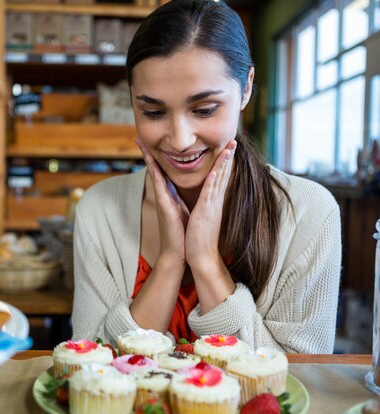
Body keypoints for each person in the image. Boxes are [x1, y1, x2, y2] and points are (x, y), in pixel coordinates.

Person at [71, 0, 341, 354]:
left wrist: (206, 263)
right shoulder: (99, 210)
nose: (180, 140)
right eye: (153, 111)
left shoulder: (308, 212)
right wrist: (170, 261)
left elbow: (299, 382)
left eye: (204, 109)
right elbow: (89, 369)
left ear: (246, 88)